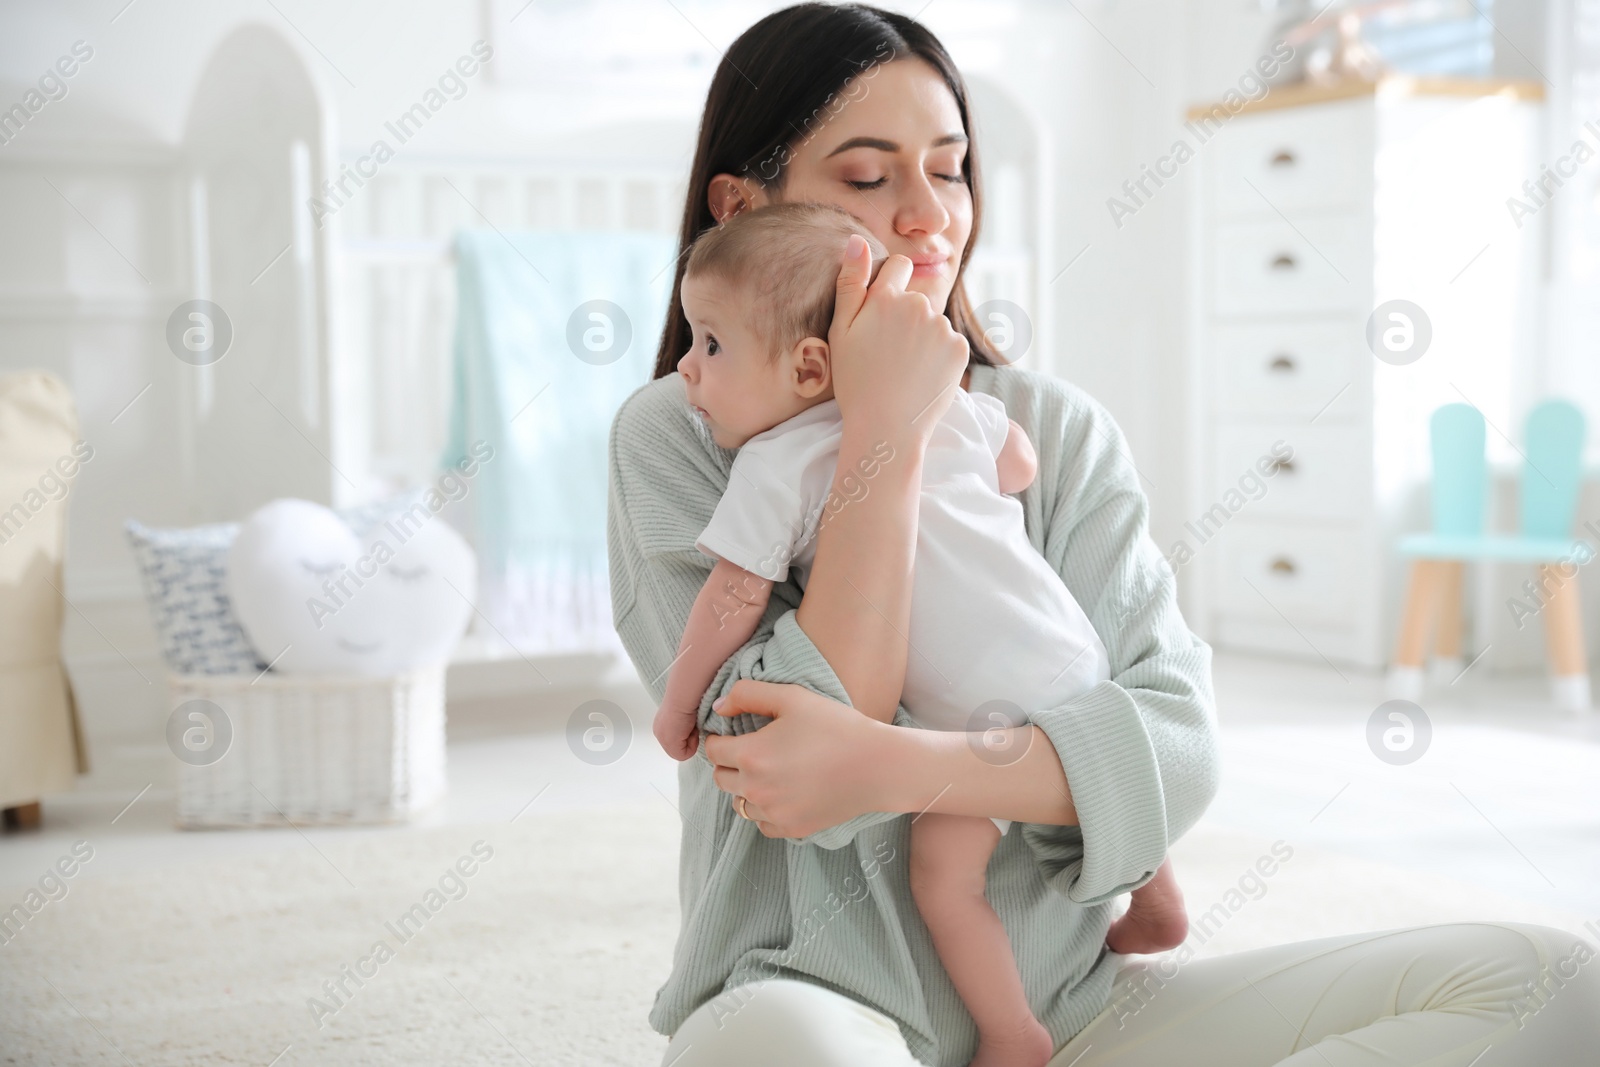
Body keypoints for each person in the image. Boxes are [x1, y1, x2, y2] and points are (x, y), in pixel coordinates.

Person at [605, 5, 1600, 1064]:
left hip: (1070, 1020)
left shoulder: (1049, 427)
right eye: (866, 177)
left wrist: (896, 765)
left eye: (949, 170)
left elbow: (1175, 746)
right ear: (743, 207)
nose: (927, 215)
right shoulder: (674, 434)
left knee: (1552, 980)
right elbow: (781, 771)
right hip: (808, 1003)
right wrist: (882, 437)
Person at [649, 201, 1188, 1066]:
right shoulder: (957, 408)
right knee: (1094, 771)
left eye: (710, 343)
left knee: (945, 882)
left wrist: (680, 702)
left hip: (974, 713)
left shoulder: (778, 462)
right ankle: (1156, 895)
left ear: (810, 362)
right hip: (1071, 657)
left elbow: (733, 595)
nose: (686, 367)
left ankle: (1013, 1032)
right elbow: (1019, 464)